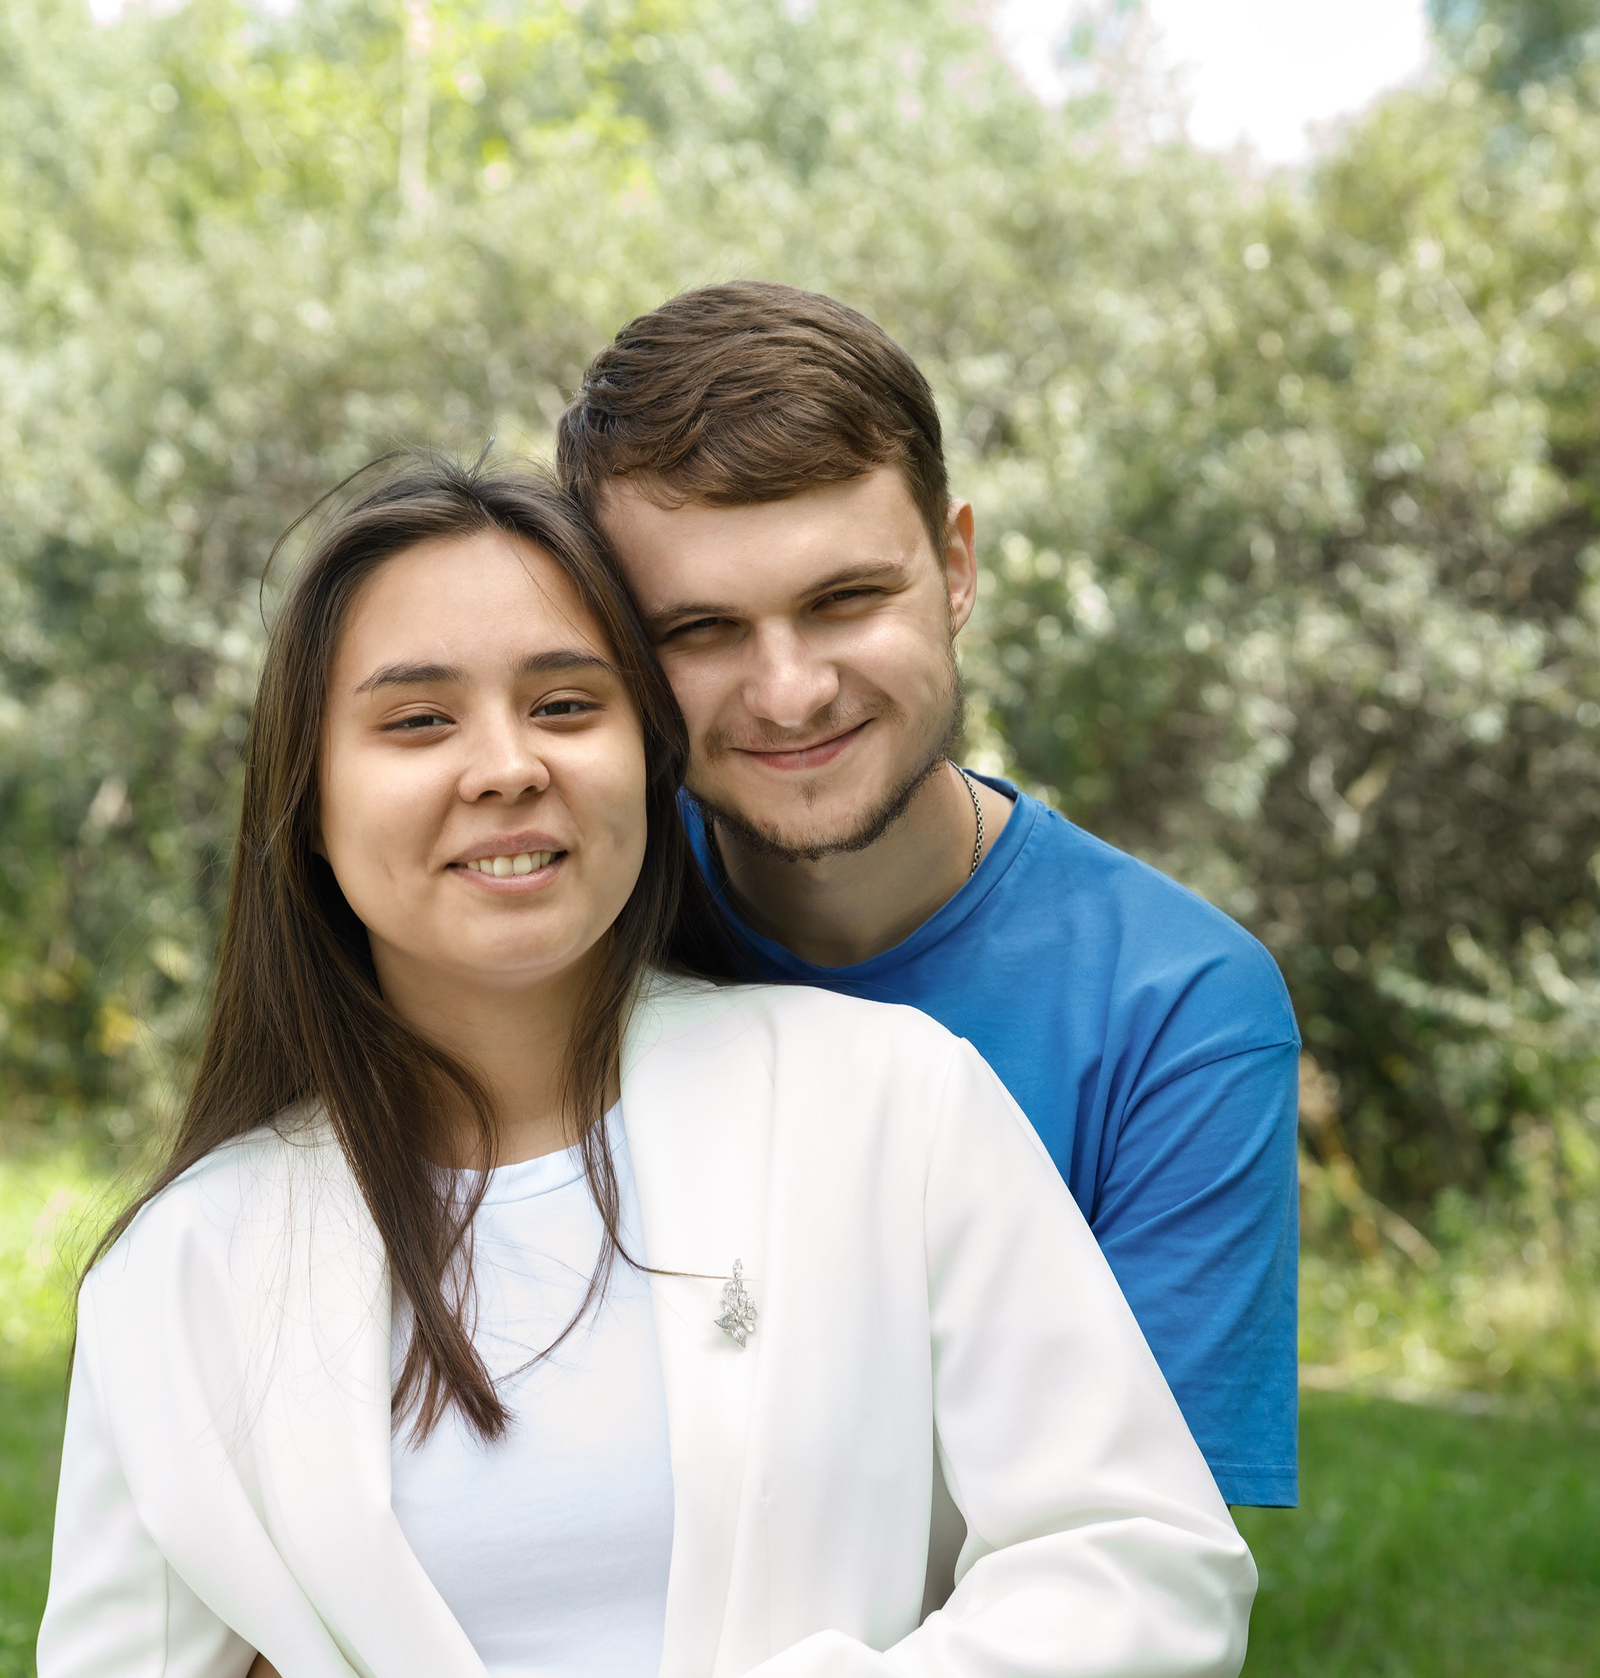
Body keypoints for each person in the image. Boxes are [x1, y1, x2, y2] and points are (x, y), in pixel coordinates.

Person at [33, 455, 1254, 1678]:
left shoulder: (890, 1104)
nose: (505, 766)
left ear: (648, 760)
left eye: (565, 705)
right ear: (306, 799)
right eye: (417, 720)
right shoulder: (184, 1273)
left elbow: (1142, 1576)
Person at [555, 280, 1303, 1511]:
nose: (788, 692)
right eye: (699, 630)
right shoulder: (557, 929)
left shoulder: (1176, 1011)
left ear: (954, 570)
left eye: (846, 600)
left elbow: (1143, 1583)